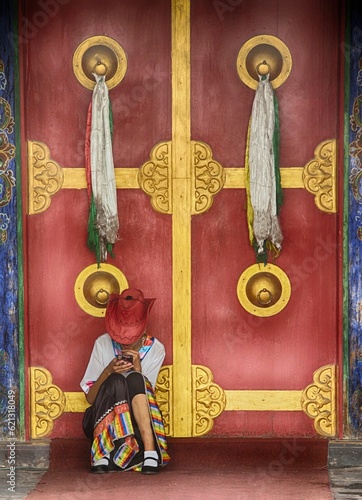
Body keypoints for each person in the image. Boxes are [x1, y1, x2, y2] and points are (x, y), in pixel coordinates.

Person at [80, 288, 170, 474]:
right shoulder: (102, 343)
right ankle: (102, 453)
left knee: (136, 378)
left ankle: (150, 453)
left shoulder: (156, 349)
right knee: (116, 380)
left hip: (137, 425)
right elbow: (90, 400)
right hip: (102, 422)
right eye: (119, 336)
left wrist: (138, 370)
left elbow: (147, 399)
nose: (125, 342)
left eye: (132, 336)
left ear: (143, 328)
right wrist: (107, 371)